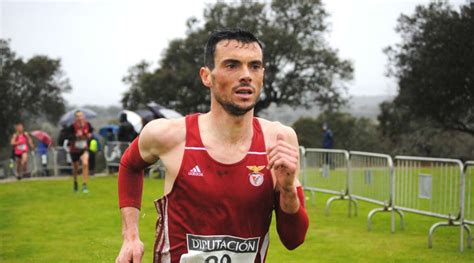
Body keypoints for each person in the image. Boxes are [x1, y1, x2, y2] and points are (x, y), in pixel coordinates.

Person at [116, 29, 309, 262]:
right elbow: (129, 165)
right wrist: (130, 236)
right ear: (207, 76)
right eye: (232, 65)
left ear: (262, 75)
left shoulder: (279, 139)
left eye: (254, 66)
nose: (246, 75)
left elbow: (293, 240)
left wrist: (288, 189)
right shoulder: (168, 135)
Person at [68, 110, 94, 193]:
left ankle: (84, 185)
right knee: (75, 168)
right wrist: (75, 136)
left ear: (83, 117)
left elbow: (91, 133)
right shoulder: (72, 126)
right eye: (78, 116)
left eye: (81, 116)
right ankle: (75, 182)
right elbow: (68, 137)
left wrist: (89, 135)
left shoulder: (88, 124)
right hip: (74, 149)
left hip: (84, 148)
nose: (79, 118)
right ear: (75, 118)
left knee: (85, 164)